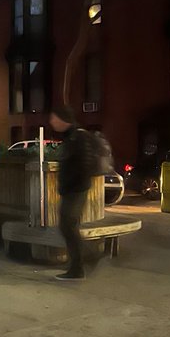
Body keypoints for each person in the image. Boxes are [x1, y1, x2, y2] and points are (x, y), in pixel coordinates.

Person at [49, 105, 93, 281]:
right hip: (70, 189)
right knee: (67, 226)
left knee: (68, 226)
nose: (52, 122)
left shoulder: (79, 137)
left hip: (76, 189)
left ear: (63, 119)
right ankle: (77, 265)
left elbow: (85, 164)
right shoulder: (70, 137)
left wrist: (72, 183)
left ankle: (77, 268)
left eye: (54, 118)